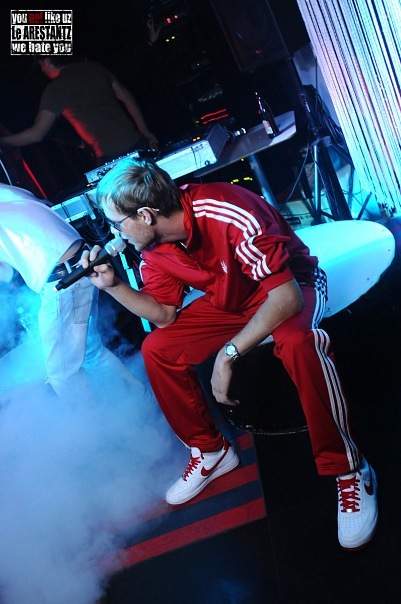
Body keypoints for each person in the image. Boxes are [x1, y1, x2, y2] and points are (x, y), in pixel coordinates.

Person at [79, 157, 378, 551]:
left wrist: (228, 355)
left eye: (117, 223)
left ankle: (350, 469)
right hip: (232, 303)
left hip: (292, 286)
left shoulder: (225, 209)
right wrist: (114, 286)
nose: (115, 233)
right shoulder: (153, 248)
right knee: (158, 349)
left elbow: (286, 298)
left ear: (146, 215)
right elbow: (164, 315)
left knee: (297, 343)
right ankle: (211, 451)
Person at [0, 182, 145, 400]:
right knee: (91, 351)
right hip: (82, 267)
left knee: (62, 374)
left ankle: (93, 421)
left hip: (64, 282)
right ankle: (141, 400)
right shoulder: (6, 191)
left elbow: (6, 274)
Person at [0, 55, 158, 168]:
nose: (41, 70)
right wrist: (145, 131)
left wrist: (4, 141)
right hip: (138, 143)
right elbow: (126, 96)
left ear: (48, 60)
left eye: (40, 64)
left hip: (112, 158)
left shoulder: (55, 88)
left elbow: (37, 133)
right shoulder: (94, 67)